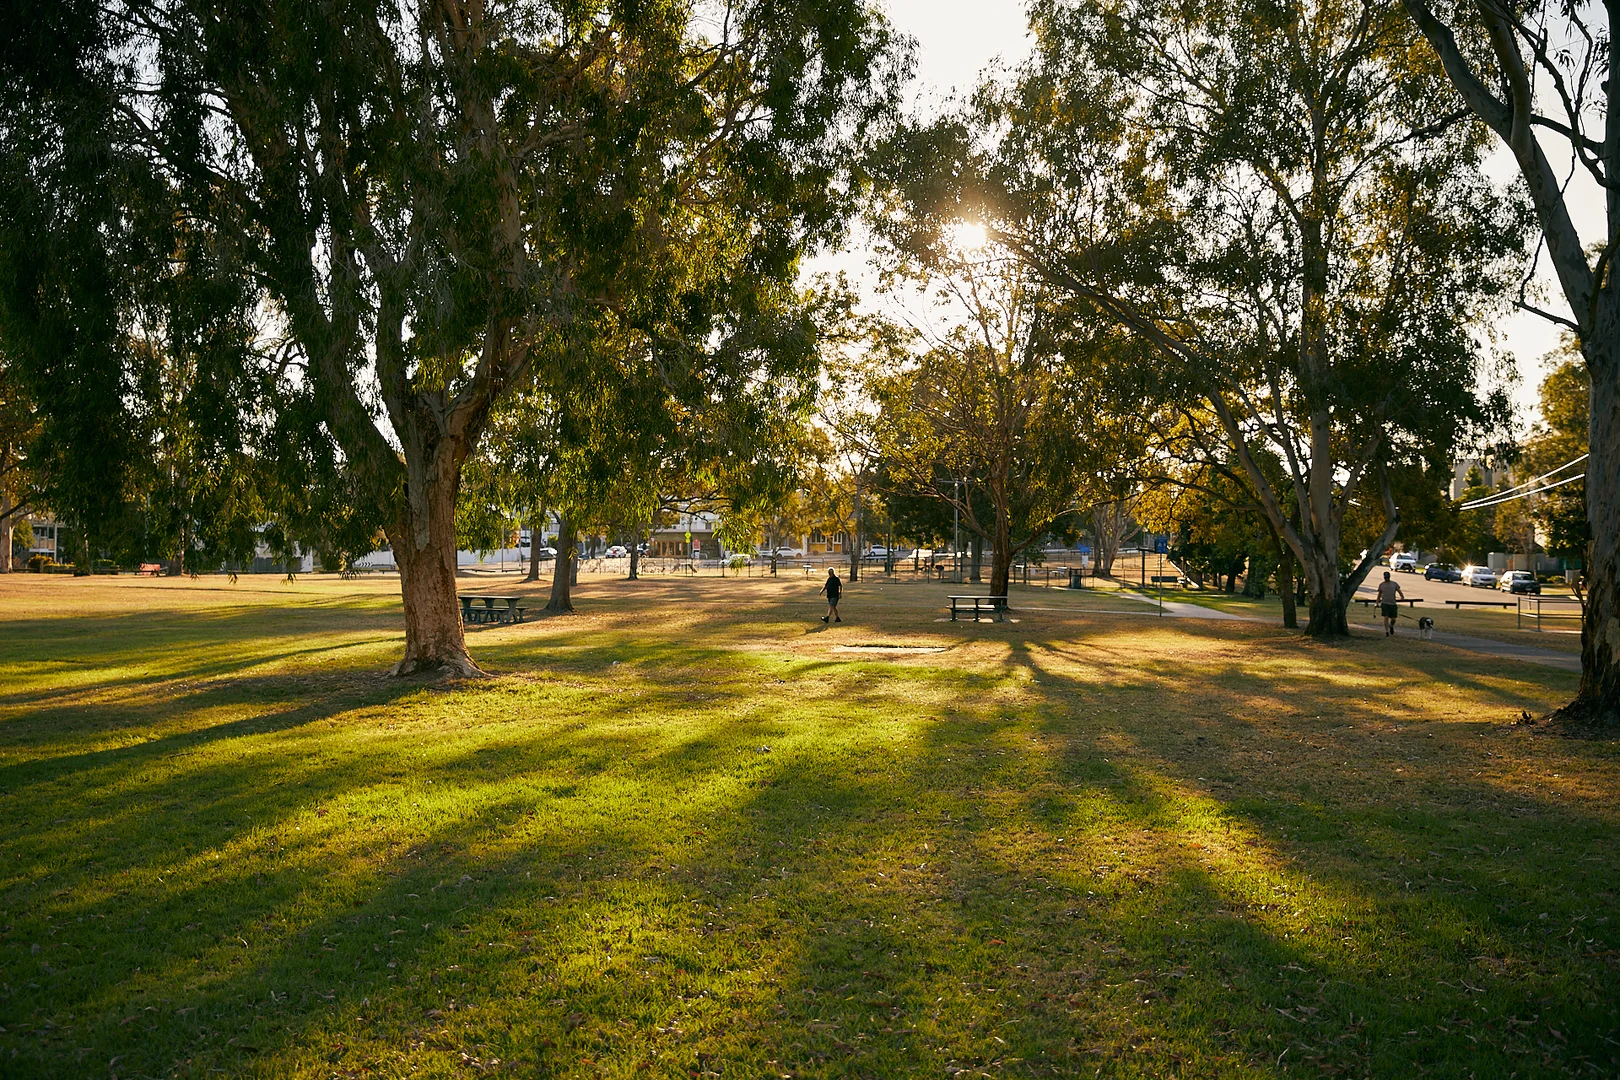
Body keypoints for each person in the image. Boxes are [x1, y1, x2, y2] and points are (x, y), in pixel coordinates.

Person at [1375, 571, 1405, 636]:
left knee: (1393, 619)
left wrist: (1402, 596)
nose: (1386, 578)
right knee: (1386, 617)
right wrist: (1377, 603)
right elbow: (1379, 595)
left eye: (1387, 577)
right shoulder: (1381, 585)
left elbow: (1399, 591)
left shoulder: (1394, 584)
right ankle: (1386, 631)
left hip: (1392, 603)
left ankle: (1391, 625)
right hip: (1384, 603)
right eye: (1385, 577)